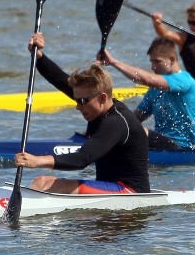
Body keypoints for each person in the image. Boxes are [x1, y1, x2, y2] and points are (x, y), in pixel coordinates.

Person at [13, 32, 150, 195]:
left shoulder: (116, 122)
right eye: (77, 100)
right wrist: (38, 55)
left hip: (130, 191)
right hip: (108, 185)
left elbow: (82, 159)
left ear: (102, 97)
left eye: (82, 101)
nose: (78, 106)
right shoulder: (92, 100)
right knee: (41, 181)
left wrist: (37, 160)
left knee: (53, 185)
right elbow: (58, 78)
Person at [100, 37, 195, 151]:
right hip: (163, 145)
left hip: (189, 147)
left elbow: (147, 80)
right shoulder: (155, 91)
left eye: (157, 61)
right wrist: (105, 127)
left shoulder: (184, 80)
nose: (153, 67)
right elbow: (135, 118)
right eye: (151, 61)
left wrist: (113, 62)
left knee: (141, 132)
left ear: (172, 60)